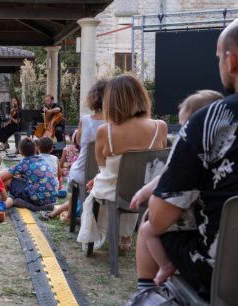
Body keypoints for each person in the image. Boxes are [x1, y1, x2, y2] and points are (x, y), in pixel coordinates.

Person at [132, 20, 238, 297]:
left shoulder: (213, 121)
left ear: (232, 60)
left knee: (150, 224)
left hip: (226, 273)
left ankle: (147, 296)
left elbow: (161, 216)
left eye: (218, 58)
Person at [130, 90, 223, 286]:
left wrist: (144, 193)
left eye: (185, 128)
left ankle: (159, 273)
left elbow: (165, 186)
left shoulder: (191, 155)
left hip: (209, 259)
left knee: (148, 224)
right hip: (225, 240)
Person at [76, 74, 167, 252]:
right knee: (134, 185)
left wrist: (99, 178)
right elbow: (158, 162)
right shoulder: (160, 126)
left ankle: (94, 236)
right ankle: (126, 236)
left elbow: (102, 166)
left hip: (114, 191)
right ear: (141, 97)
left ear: (111, 100)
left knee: (95, 194)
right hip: (146, 191)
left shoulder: (105, 131)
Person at [39, 79, 107, 221]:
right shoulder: (116, 122)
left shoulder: (86, 120)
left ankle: (69, 214)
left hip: (84, 173)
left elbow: (79, 143)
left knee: (78, 170)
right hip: (106, 174)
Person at [0, 137, 58, 211]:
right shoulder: (42, 160)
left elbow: (0, 177)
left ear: (20, 152)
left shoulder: (24, 163)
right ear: (35, 150)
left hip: (37, 200)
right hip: (52, 198)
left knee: (8, 180)